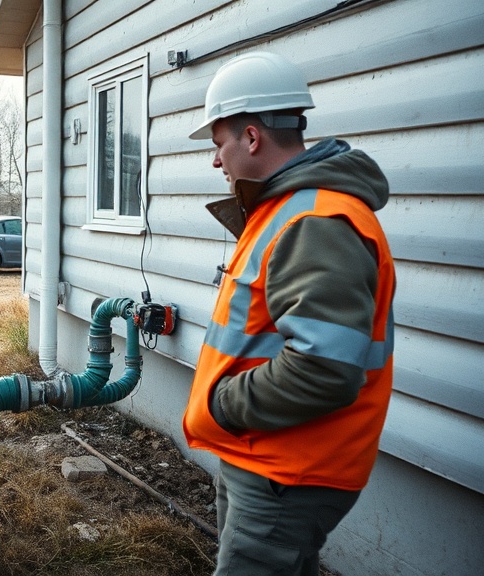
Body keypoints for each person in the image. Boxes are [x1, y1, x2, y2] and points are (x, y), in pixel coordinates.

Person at [182, 51, 396, 576]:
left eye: (218, 144)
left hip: (285, 469)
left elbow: (324, 368)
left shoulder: (314, 221)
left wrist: (223, 404)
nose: (216, 162)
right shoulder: (283, 211)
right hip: (263, 455)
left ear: (252, 138)